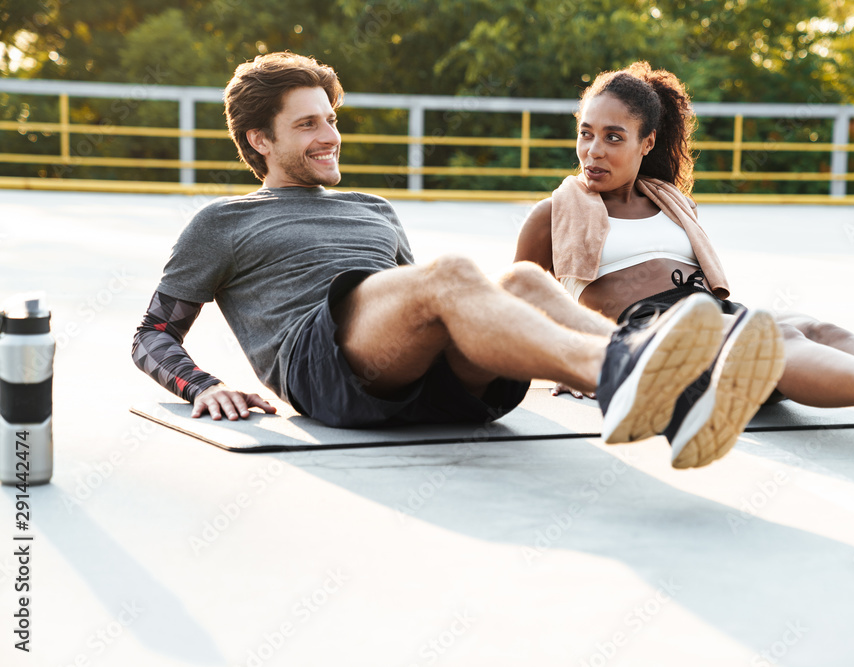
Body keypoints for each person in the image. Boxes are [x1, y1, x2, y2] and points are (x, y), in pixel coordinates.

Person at [131, 52, 760, 461]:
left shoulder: (373, 208)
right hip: (322, 370)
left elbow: (426, 307)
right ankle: (635, 372)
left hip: (424, 385)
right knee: (453, 273)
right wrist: (202, 385)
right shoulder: (224, 220)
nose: (330, 136)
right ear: (259, 139)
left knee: (520, 283)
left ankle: (663, 371)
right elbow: (152, 334)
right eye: (307, 126)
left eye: (330, 119)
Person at [515, 61, 854, 466]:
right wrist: (571, 363)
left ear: (647, 143)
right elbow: (519, 301)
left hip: (706, 313)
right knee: (778, 337)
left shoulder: (667, 201)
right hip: (650, 334)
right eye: (586, 134)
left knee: (810, 324)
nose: (593, 151)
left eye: (613, 137)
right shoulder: (554, 213)